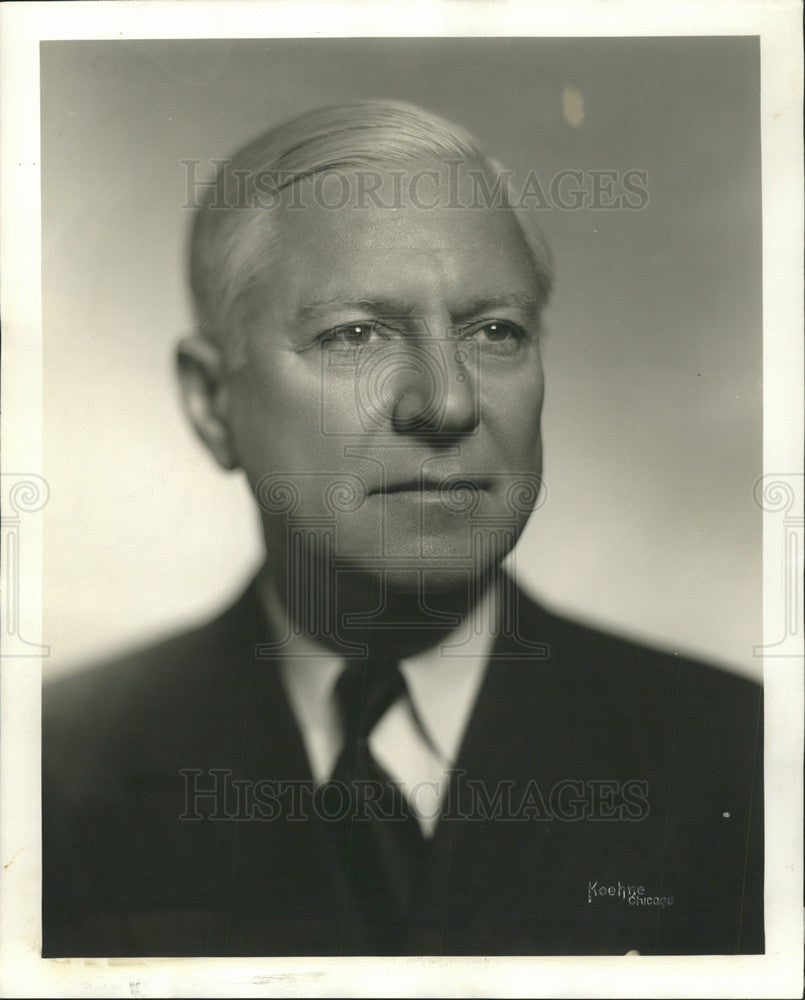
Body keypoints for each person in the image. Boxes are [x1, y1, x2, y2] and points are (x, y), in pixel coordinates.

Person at [42, 101, 763, 957]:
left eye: (495, 331)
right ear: (211, 403)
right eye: (355, 334)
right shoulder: (49, 769)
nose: (446, 402)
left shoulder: (742, 760)